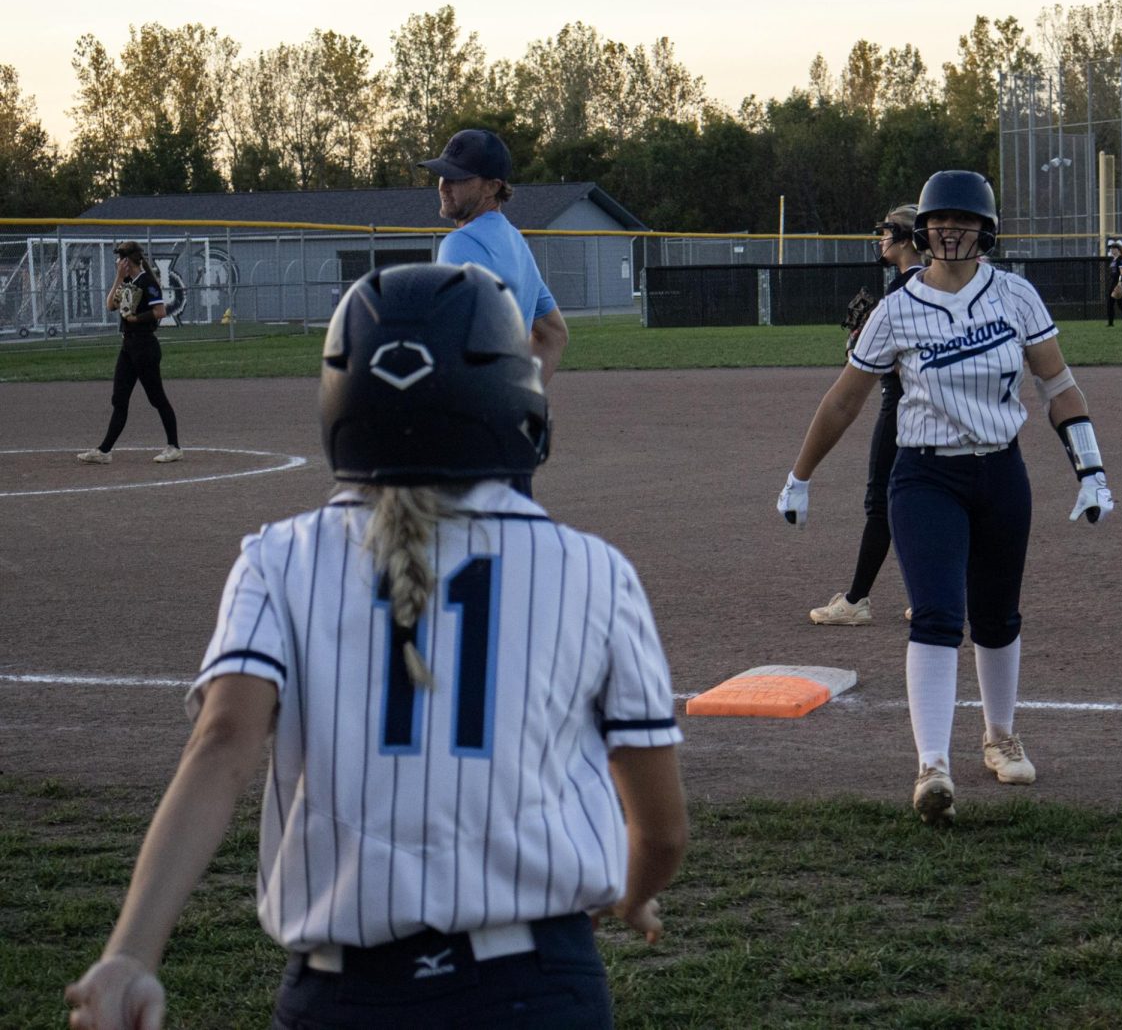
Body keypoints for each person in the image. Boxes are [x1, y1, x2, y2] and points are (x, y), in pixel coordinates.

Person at [64, 263, 688, 1029]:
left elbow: (221, 747)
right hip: (534, 985)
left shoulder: (279, 557)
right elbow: (660, 831)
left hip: (341, 995)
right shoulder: (594, 569)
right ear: (511, 398)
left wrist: (129, 953)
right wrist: (626, 891)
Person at [777, 170, 1114, 825]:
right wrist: (800, 475)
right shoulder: (898, 307)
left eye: (964, 220)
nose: (951, 231)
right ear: (923, 229)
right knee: (935, 614)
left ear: (985, 229)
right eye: (941, 220)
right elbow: (845, 398)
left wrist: (1091, 469)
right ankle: (933, 767)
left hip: (1000, 473)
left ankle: (999, 735)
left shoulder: (1015, 296)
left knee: (996, 615)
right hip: (925, 476)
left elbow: (1059, 385)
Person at [809, 204, 924, 626]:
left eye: (887, 231)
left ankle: (856, 600)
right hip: (925, 408)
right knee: (911, 504)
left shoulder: (902, 291)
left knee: (882, 503)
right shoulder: (931, 284)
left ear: (907, 238)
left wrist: (860, 349)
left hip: (899, 406)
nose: (881, 238)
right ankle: (926, 595)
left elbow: (895, 364)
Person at [419, 129, 569, 383]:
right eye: (443, 174)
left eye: (457, 177)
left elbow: (446, 344)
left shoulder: (460, 243)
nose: (444, 185)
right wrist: (522, 397)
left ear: (492, 187)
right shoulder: (516, 243)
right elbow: (554, 334)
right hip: (501, 416)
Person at [77, 241, 183, 465]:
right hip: (128, 347)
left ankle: (174, 447)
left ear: (127, 260)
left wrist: (137, 318)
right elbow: (110, 306)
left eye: (120, 258)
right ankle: (104, 451)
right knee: (119, 399)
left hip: (145, 347)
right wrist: (118, 278)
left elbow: (160, 311)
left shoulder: (147, 282)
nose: (117, 262)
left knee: (157, 398)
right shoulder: (126, 282)